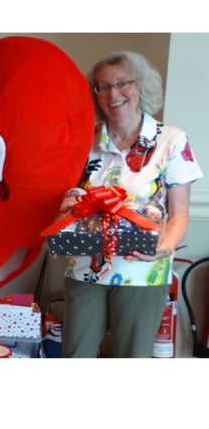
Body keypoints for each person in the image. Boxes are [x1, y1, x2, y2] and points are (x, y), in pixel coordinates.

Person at [62, 51, 203, 358]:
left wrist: (164, 247)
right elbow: (65, 194)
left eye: (122, 83)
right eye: (103, 87)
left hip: (143, 270)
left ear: (141, 87)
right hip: (85, 265)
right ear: (96, 95)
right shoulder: (83, 140)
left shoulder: (171, 140)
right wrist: (68, 199)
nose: (113, 93)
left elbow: (179, 213)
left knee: (131, 357)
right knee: (75, 354)